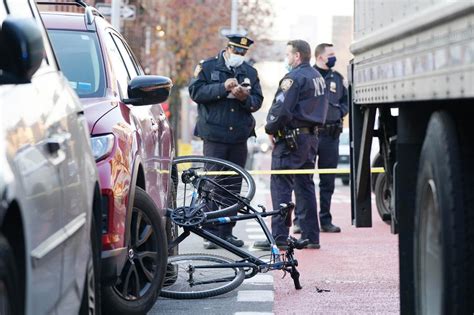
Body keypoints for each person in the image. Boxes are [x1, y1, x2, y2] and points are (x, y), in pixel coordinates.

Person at [189, 34, 264, 249]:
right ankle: (210, 231)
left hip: (239, 137)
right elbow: (196, 92)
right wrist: (222, 87)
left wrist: (244, 98)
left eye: (243, 53)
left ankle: (227, 231)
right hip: (214, 135)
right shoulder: (208, 66)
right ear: (228, 49)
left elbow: (257, 101)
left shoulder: (250, 72)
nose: (239, 56)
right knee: (213, 182)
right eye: (236, 51)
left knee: (233, 184)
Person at [253, 40, 328, 250]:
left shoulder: (293, 78)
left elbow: (281, 109)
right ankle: (311, 236)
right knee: (305, 186)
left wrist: (270, 128)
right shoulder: (317, 77)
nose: (287, 58)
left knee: (281, 186)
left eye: (288, 54)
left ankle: (279, 237)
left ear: (297, 56)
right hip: (311, 138)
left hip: (291, 140)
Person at [293, 43, 348, 234]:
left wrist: (337, 112)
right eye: (330, 54)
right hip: (312, 134)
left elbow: (345, 102)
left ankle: (325, 219)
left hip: (331, 136)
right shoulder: (309, 76)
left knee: (328, 181)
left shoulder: (338, 78)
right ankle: (301, 220)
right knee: (303, 179)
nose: (334, 57)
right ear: (319, 57)